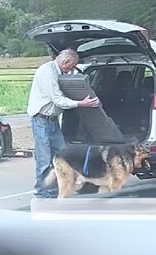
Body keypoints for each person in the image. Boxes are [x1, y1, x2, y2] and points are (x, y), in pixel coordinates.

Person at [27, 48, 100, 198]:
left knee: (62, 156)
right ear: (66, 61)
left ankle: (55, 190)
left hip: (53, 121)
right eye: (72, 66)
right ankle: (42, 192)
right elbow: (58, 99)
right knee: (44, 159)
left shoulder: (59, 72)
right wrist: (81, 103)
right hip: (41, 120)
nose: (71, 70)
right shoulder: (47, 72)